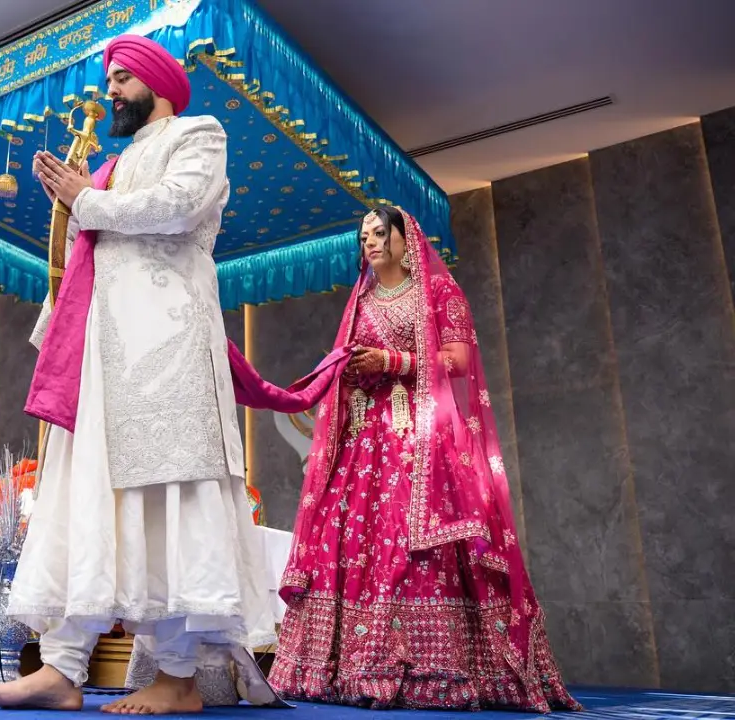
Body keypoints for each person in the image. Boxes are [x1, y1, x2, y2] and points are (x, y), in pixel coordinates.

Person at [0, 33, 278, 714]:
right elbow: (87, 256)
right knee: (90, 507)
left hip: (168, 357)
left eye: (119, 80)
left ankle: (177, 678)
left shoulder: (198, 133)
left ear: (155, 82)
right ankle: (63, 667)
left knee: (165, 511)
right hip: (103, 364)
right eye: (108, 81)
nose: (108, 92)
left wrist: (86, 199)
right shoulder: (110, 168)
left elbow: (180, 207)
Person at [241, 205, 581, 712]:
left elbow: (461, 360)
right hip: (363, 444)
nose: (371, 243)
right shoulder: (361, 297)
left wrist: (394, 361)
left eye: (380, 233)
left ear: (406, 238)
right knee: (352, 541)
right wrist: (352, 371)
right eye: (364, 237)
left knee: (413, 544)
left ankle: (436, 668)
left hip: (418, 440)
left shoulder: (437, 292)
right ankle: (342, 666)